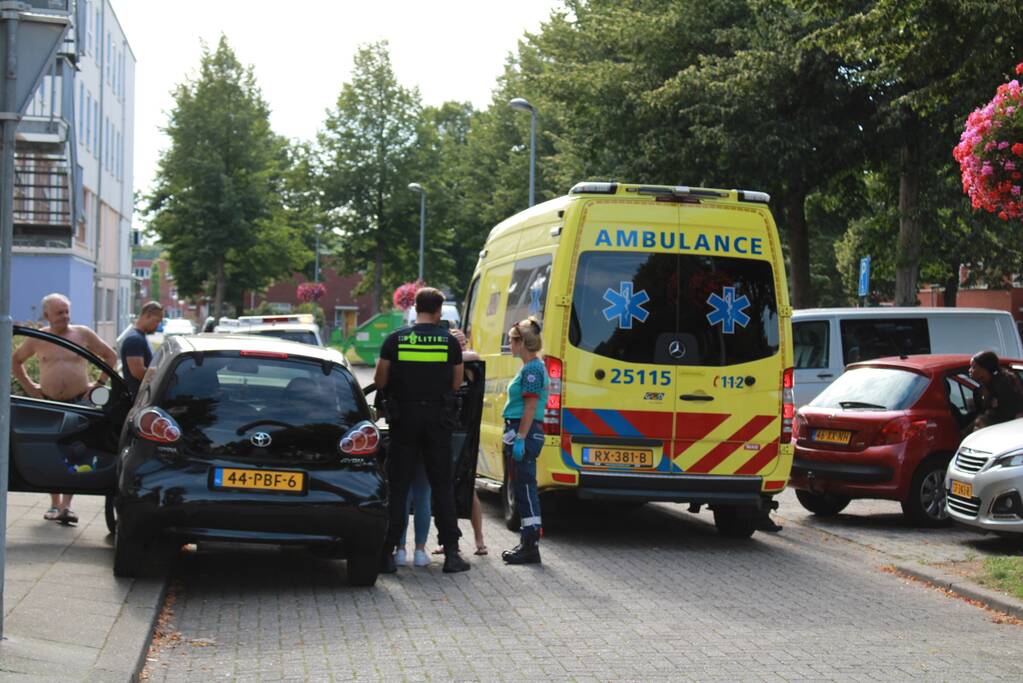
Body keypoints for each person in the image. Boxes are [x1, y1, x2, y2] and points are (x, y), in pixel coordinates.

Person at [375, 287, 470, 574]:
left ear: (415, 308)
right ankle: (451, 554)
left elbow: (380, 381)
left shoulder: (395, 340)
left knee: (398, 487)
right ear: (439, 311)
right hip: (438, 422)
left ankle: (387, 553)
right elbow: (456, 384)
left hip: (404, 420)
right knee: (441, 486)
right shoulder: (449, 343)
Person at [12, 293, 118, 524]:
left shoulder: (82, 334)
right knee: (51, 451)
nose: (65, 316)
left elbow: (111, 356)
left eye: (67, 311)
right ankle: (54, 503)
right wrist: (30, 388)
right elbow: (15, 360)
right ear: (47, 315)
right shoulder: (38, 338)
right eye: (59, 312)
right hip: (49, 402)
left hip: (78, 402)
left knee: (75, 451)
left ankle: (67, 506)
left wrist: (99, 384)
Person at [432, 327, 488, 556]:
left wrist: (452, 351)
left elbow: (473, 356)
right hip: (447, 430)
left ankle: (479, 539)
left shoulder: (469, 364)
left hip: (465, 433)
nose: (462, 346)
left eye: (463, 342)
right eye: (457, 342)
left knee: (468, 487)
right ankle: (447, 540)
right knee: (444, 489)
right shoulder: (446, 366)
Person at [501, 317, 548, 565]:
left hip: (525, 432)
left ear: (521, 342)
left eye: (511, 340)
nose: (509, 344)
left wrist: (520, 437)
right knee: (522, 488)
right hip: (523, 431)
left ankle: (530, 545)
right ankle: (527, 542)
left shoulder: (532, 370)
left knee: (526, 489)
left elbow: (530, 407)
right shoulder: (531, 367)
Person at [966, 350, 1023, 434]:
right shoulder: (982, 388)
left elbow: (1009, 413)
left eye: (974, 367)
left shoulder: (1003, 384)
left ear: (984, 369)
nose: (970, 370)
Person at [120, 302, 164, 396]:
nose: (158, 325)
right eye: (157, 321)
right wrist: (162, 378)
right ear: (147, 316)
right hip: (137, 397)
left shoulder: (140, 337)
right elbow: (138, 372)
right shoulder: (135, 340)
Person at [394, 461, 433, 567]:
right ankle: (420, 551)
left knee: (403, 497)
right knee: (423, 496)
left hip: (403, 454)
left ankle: (400, 550)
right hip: (425, 455)